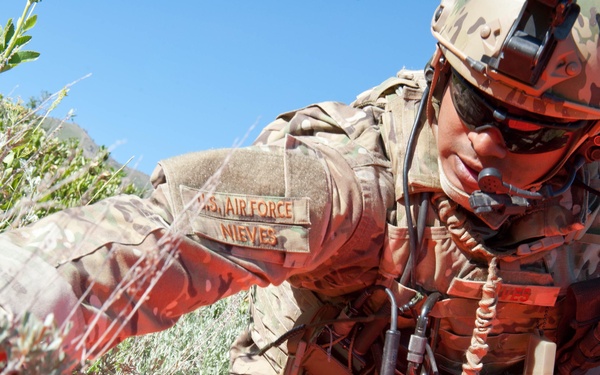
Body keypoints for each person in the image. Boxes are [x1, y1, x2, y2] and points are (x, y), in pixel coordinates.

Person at [1, 0, 599, 374]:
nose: (486, 143)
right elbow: (145, 244)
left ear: (584, 143)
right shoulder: (352, 183)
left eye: (530, 135)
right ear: (439, 76)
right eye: (474, 104)